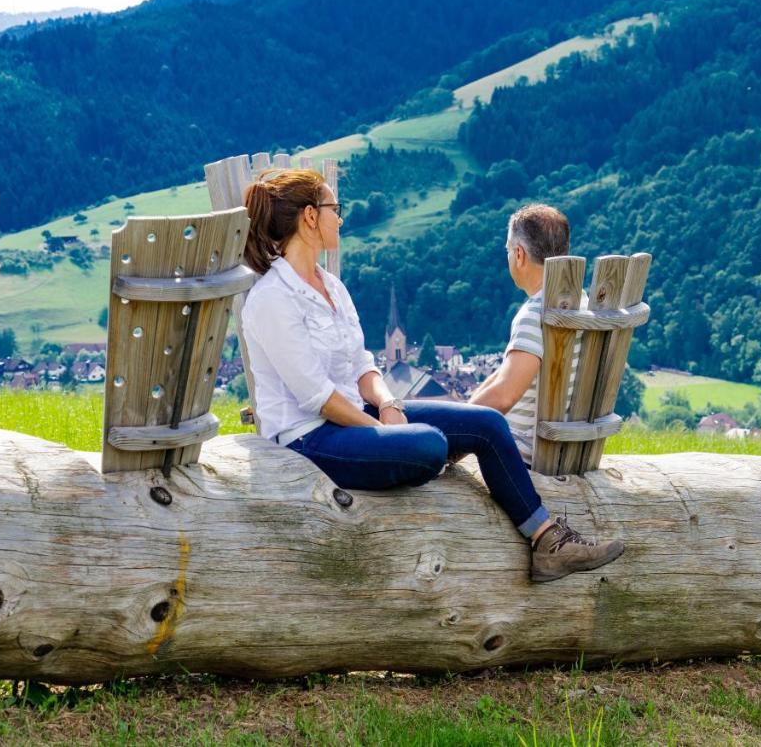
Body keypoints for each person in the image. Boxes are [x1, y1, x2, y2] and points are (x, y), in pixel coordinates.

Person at [239, 169, 623, 582]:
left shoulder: (331, 285)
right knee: (428, 445)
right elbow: (318, 397)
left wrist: (389, 403)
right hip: (310, 437)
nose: (342, 219)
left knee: (488, 425)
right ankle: (412, 449)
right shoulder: (272, 299)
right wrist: (379, 429)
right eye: (336, 209)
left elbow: (362, 365)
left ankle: (547, 540)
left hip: (354, 414)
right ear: (310, 218)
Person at [469, 204, 578, 469]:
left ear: (519, 255)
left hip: (523, 457)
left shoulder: (535, 314)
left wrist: (452, 435)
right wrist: (465, 410)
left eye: (508, 249)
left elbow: (504, 395)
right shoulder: (581, 305)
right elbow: (503, 375)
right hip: (570, 453)